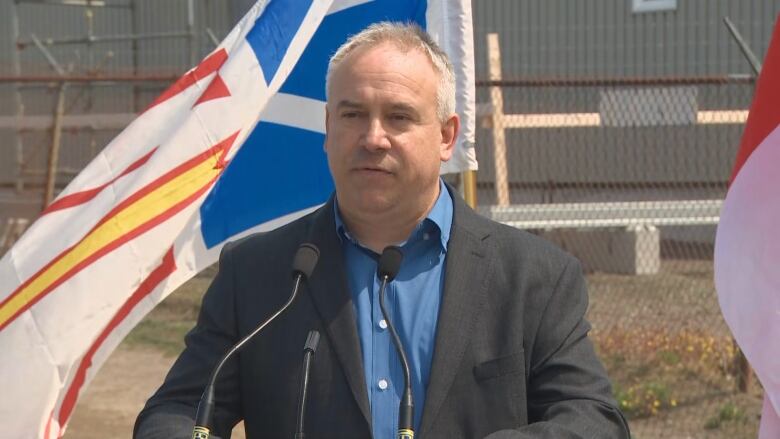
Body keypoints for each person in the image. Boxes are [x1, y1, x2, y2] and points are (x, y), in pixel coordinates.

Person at [134, 22, 630, 439]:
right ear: (329, 129)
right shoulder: (257, 273)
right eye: (353, 115)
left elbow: (595, 420)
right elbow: (170, 414)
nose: (373, 138)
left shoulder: (533, 277)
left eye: (399, 116)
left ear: (446, 136)